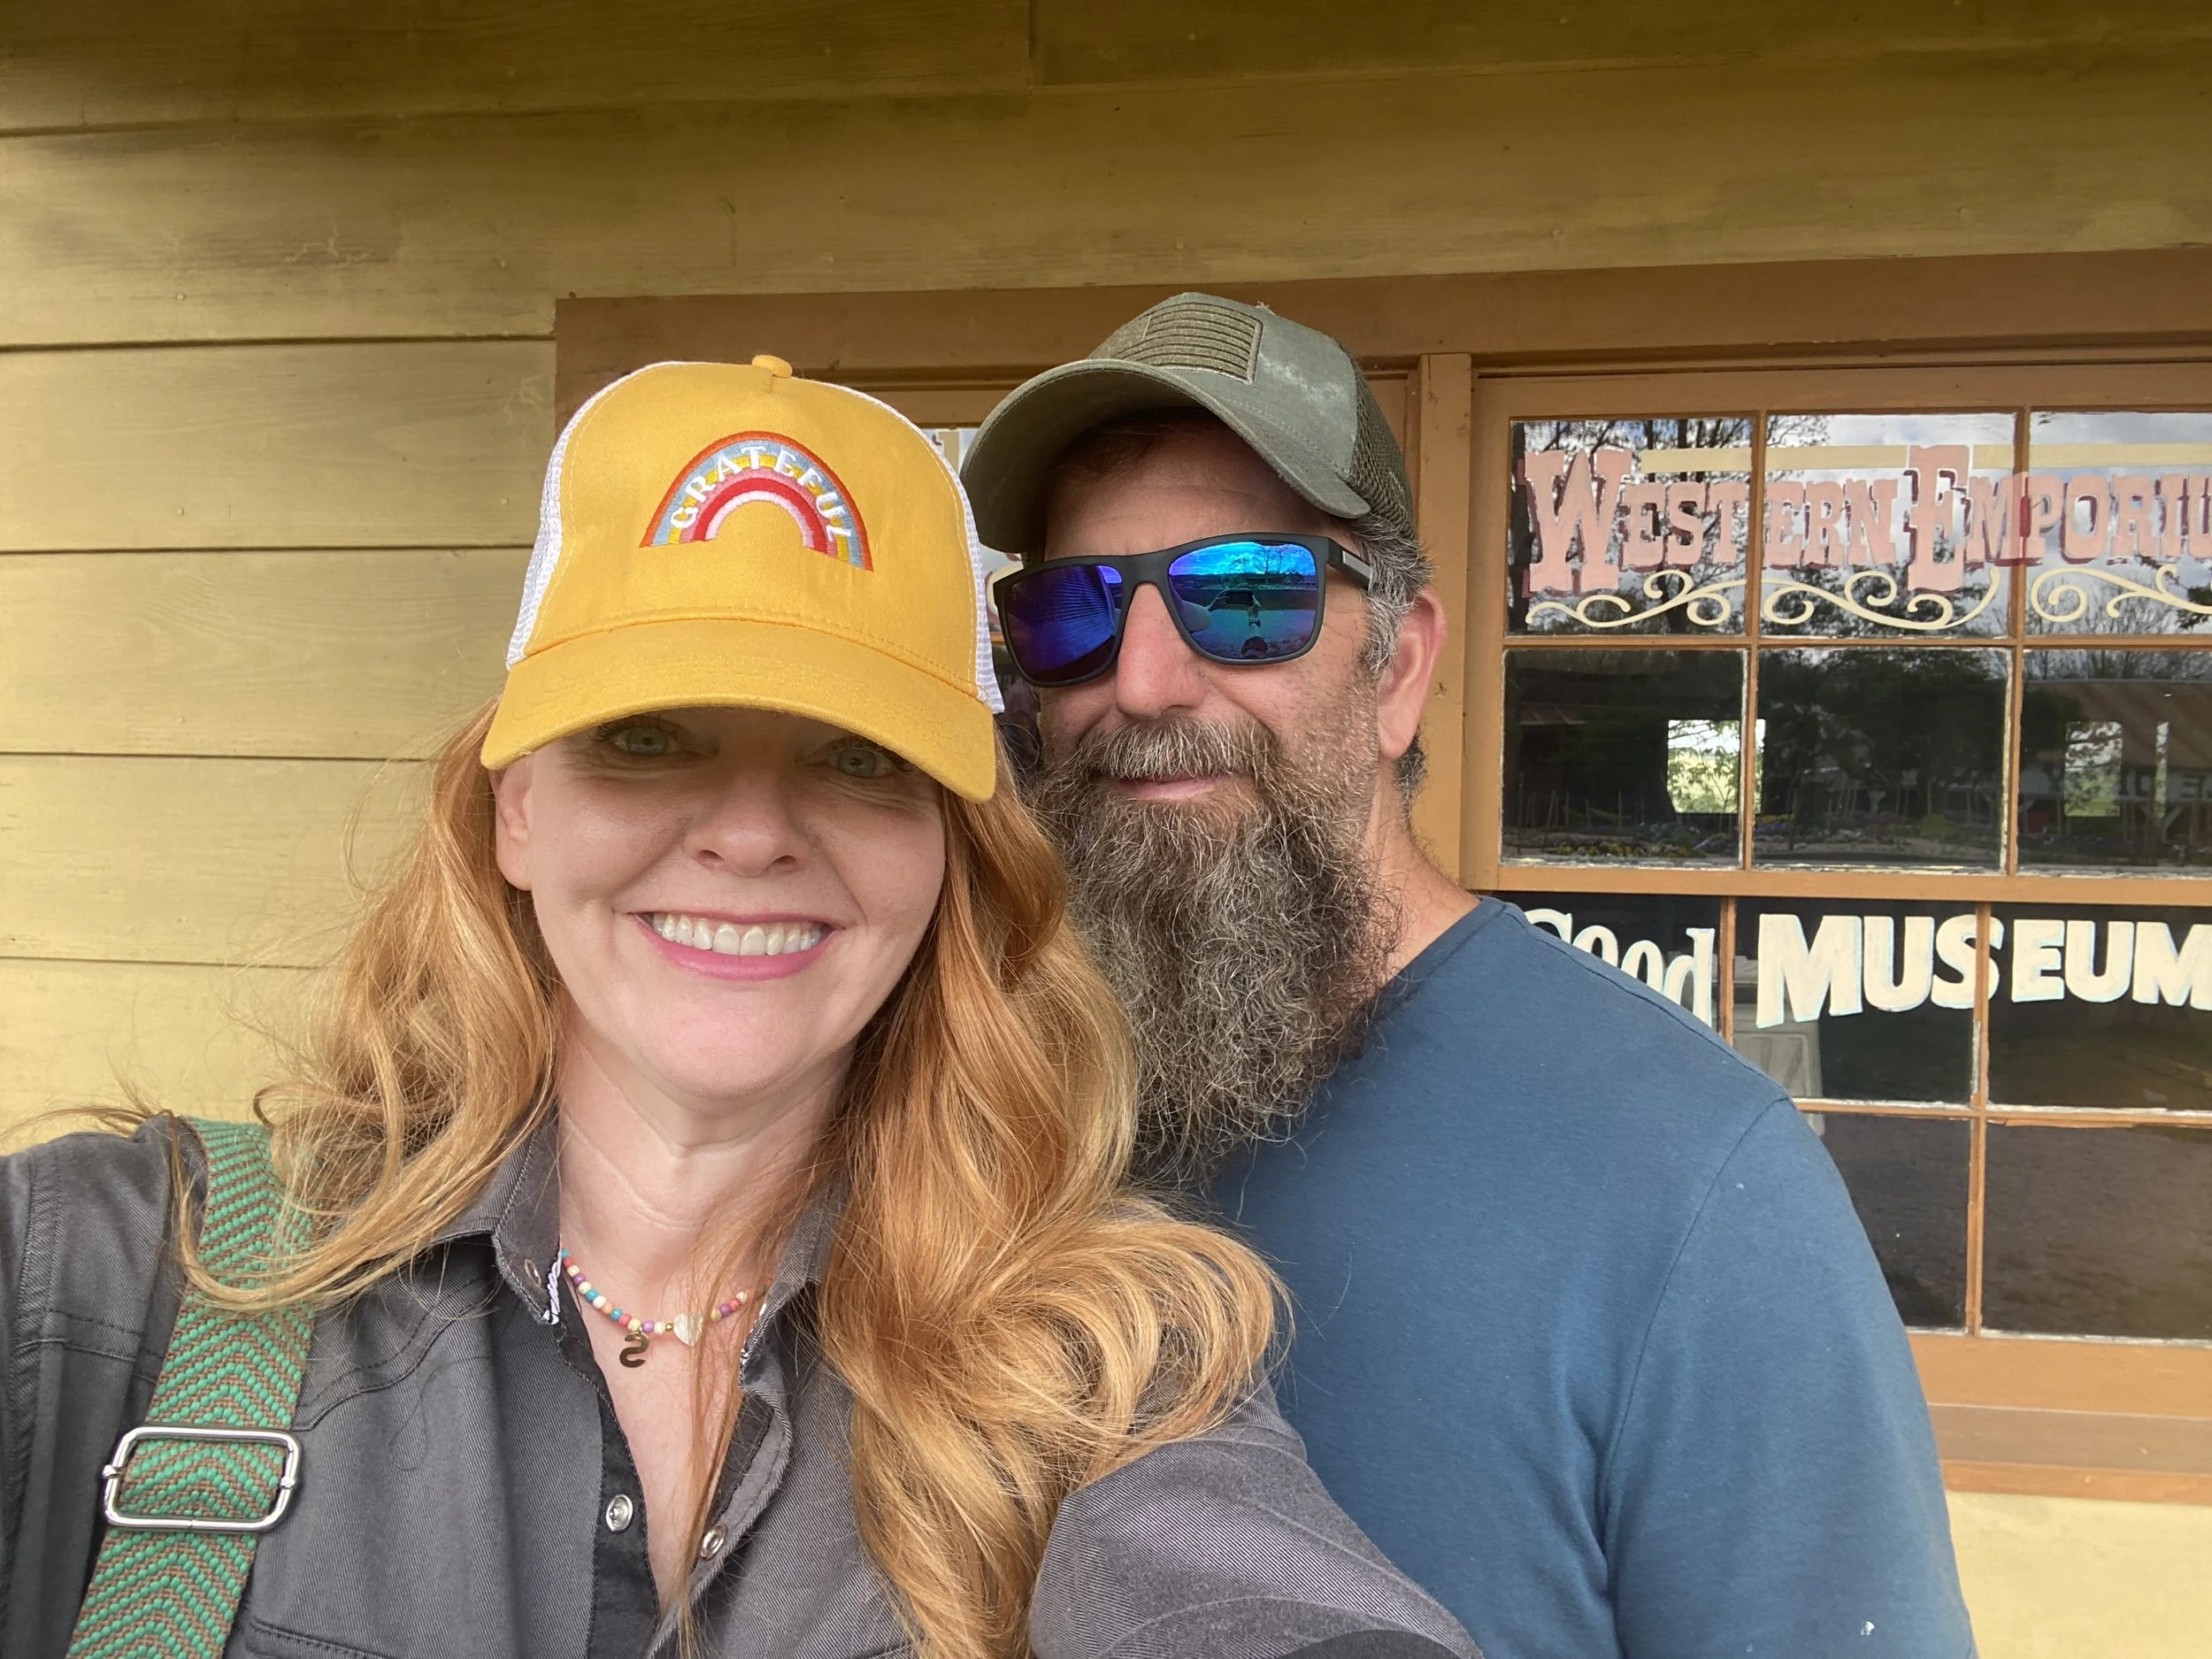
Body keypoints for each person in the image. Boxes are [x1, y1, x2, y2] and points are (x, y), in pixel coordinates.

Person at [0, 358, 1480, 1659]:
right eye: (647, 737)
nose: (751, 833)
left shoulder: (1092, 1372)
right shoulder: (110, 1280)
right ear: (514, 809)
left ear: (950, 854)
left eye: (855, 756)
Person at [962, 294, 1978, 1658]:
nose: (1141, 678)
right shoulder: (976, 1098)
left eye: (1244, 596)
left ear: (1400, 666)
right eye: (1069, 610)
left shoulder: (1695, 1186)